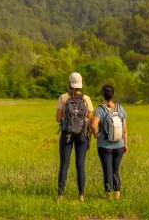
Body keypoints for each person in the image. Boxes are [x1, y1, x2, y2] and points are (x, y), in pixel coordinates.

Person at [55, 72, 94, 202]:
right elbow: (89, 119)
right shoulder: (86, 99)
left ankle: (60, 195)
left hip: (67, 134)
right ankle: (81, 195)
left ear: (69, 83)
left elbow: (58, 118)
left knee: (64, 165)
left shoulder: (63, 97)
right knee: (80, 165)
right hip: (82, 135)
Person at [91, 84, 128, 200]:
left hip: (104, 145)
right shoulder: (120, 108)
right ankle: (117, 196)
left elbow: (93, 125)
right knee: (115, 170)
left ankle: (109, 197)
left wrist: (96, 134)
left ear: (102, 94)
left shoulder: (100, 110)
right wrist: (125, 144)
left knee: (107, 170)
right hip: (119, 145)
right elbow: (125, 129)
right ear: (113, 95)